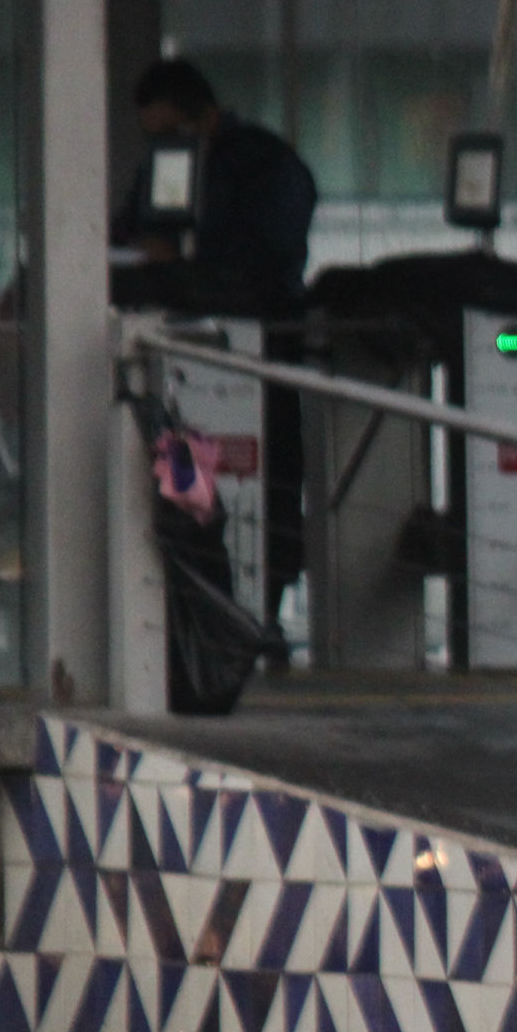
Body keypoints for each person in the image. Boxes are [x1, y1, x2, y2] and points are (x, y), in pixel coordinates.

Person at [114, 57, 318, 644]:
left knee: (268, 468)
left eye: (170, 133)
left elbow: (271, 252)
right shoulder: (163, 172)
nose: (162, 149)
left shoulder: (264, 165)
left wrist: (189, 263)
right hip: (185, 351)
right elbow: (129, 228)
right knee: (189, 471)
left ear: (203, 117)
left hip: (260, 344)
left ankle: (263, 608)